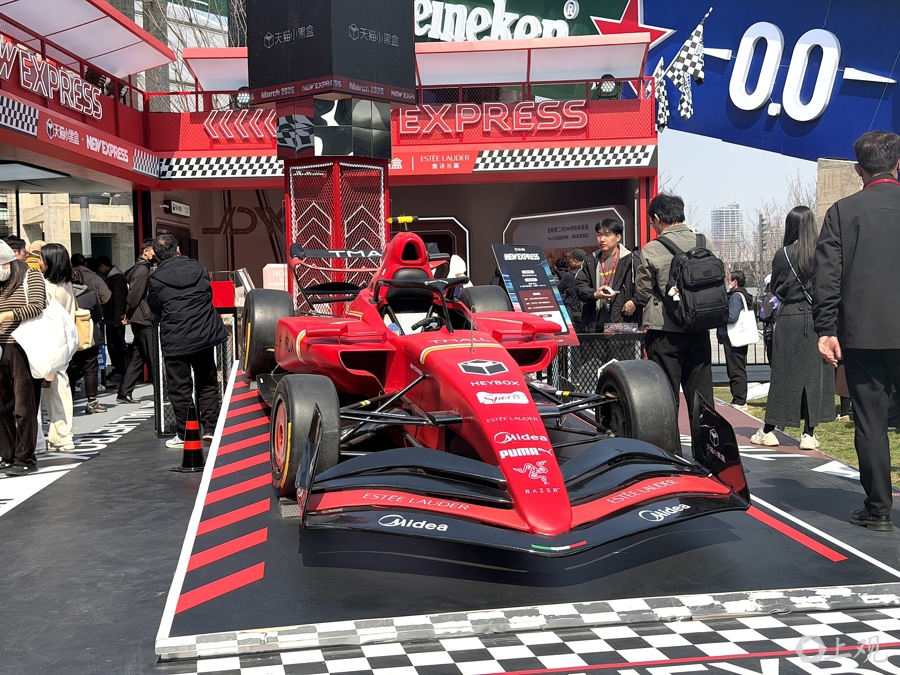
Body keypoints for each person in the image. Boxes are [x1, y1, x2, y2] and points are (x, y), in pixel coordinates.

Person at [814, 130, 900, 532]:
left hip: (864, 333)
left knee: (870, 423)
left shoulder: (842, 212)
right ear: (898, 164)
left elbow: (827, 277)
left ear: (857, 169)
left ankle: (879, 509)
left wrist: (825, 329)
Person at [752, 206, 835, 450]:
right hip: (817, 320)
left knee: (783, 377)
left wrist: (767, 312)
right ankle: (809, 434)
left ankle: (768, 430)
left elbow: (775, 291)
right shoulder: (823, 252)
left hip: (789, 319)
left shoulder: (783, 254)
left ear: (791, 226)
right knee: (814, 378)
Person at [632, 195, 713, 430]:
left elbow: (643, 291)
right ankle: (707, 445)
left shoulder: (653, 248)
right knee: (701, 397)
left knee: (665, 395)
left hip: (665, 330)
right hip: (698, 327)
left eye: (652, 221)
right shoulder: (704, 242)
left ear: (657, 218)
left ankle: (669, 447)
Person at [148, 234, 227, 448]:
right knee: (207, 382)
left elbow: (155, 307)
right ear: (178, 250)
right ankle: (210, 429)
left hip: (176, 338)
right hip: (203, 334)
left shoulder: (156, 279)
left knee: (179, 388)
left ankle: (186, 433)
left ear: (157, 257)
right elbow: (208, 295)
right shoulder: (200, 269)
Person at [0, 240, 46, 476]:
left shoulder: (31, 277)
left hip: (23, 347)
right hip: (0, 349)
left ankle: (25, 458)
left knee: (24, 407)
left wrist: (7, 315)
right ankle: (6, 454)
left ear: (7, 263)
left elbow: (38, 306)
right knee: (2, 407)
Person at [39, 243, 77, 452]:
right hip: (64, 343)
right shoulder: (67, 285)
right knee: (59, 389)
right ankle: (59, 435)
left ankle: (62, 436)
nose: (39, 262)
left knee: (55, 391)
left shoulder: (47, 287)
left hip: (50, 343)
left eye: (42, 259)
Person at [576, 219, 641, 333]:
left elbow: (644, 286)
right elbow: (580, 286)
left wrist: (634, 302)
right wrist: (594, 294)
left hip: (623, 323)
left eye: (607, 235)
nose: (602, 239)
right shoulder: (590, 261)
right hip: (595, 324)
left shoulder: (631, 260)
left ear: (618, 237)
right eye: (599, 235)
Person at [119, 239, 156, 404]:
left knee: (138, 356)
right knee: (152, 355)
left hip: (139, 316)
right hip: (143, 318)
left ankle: (124, 392)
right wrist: (127, 313)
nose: (155, 255)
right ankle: (161, 390)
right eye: (153, 251)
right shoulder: (142, 270)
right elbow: (135, 294)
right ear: (145, 252)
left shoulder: (140, 268)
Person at [68, 268, 107, 414]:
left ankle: (68, 403)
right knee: (90, 368)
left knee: (69, 370)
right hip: (88, 337)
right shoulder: (91, 294)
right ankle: (92, 401)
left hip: (69, 338)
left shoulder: (62, 294)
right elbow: (98, 316)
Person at [716, 270, 753, 411]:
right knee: (736, 367)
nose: (727, 282)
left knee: (735, 368)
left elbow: (732, 317)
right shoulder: (740, 295)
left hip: (733, 337)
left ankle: (740, 400)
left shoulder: (736, 296)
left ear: (735, 282)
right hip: (736, 337)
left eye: (729, 280)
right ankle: (738, 398)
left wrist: (719, 316)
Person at [95, 255, 129, 378]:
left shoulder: (117, 278)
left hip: (115, 320)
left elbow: (119, 300)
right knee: (112, 345)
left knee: (117, 346)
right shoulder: (112, 278)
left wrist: (117, 319)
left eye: (99, 269)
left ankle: (121, 370)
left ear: (102, 266)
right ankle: (117, 368)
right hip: (111, 319)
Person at [558, 249, 586, 332]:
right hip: (587, 312)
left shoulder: (568, 275)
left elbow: (558, 291)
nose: (569, 261)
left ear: (575, 261)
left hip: (572, 312)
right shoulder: (589, 273)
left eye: (570, 259)